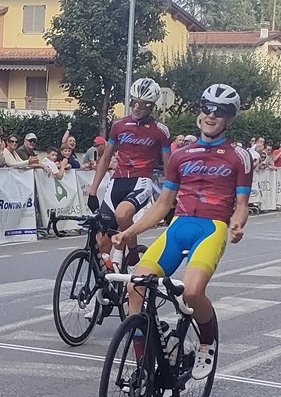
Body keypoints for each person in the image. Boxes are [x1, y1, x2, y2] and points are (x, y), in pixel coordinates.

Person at [113, 84, 251, 380]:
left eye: (220, 112)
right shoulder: (180, 155)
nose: (211, 116)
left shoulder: (238, 156)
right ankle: (143, 366)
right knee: (134, 285)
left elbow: (241, 203)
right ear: (200, 111)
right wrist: (130, 232)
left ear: (230, 118)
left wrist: (239, 223)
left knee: (191, 291)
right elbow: (163, 205)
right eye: (207, 108)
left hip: (212, 228)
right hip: (179, 226)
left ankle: (206, 341)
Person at [88, 77, 171, 270]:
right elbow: (106, 159)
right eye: (134, 102)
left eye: (143, 105)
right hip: (117, 181)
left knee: (123, 214)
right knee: (102, 241)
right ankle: (109, 283)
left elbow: (169, 168)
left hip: (141, 181)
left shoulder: (160, 131)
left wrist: (170, 200)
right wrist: (93, 191)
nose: (137, 108)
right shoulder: (119, 125)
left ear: (151, 106)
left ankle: (130, 251)